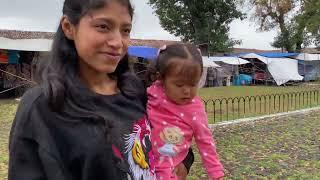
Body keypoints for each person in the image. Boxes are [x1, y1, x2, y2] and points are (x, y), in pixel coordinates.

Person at [8, 0, 192, 179]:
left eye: (125, 30)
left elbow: (171, 132)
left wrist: (183, 162)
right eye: (103, 26)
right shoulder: (42, 106)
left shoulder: (135, 90)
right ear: (68, 27)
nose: (118, 42)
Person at [147, 44, 224, 180]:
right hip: (144, 164)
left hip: (170, 169)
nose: (187, 91)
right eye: (179, 85)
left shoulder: (194, 109)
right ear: (161, 78)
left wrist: (216, 173)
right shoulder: (152, 92)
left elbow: (205, 141)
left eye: (193, 84)